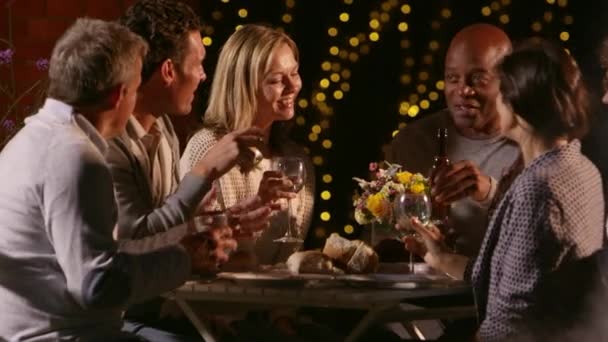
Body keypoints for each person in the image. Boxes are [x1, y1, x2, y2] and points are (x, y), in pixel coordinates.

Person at [0, 18, 235, 341]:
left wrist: (181, 245)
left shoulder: (27, 142)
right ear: (118, 97)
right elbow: (96, 285)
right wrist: (184, 260)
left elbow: (93, 256)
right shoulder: (76, 157)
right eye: (137, 90)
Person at [109, 1, 293, 339]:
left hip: (156, 306)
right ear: (168, 71)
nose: (204, 76)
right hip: (114, 318)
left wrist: (229, 221)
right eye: (199, 65)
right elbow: (136, 239)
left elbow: (171, 228)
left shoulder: (163, 132)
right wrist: (205, 171)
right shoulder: (110, 143)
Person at [407, 38, 605, 341]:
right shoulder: (583, 169)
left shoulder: (538, 189)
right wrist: (441, 258)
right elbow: (514, 278)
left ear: (518, 102)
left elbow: (510, 321)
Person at [180, 24, 315, 266]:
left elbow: (289, 261)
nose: (293, 86)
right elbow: (202, 255)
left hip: (275, 302)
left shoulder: (296, 159)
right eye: (276, 80)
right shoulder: (207, 148)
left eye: (294, 73)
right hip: (212, 301)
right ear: (243, 87)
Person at [389, 23, 520, 257]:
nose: (463, 90)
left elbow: (541, 236)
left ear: (508, 81)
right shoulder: (411, 142)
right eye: (452, 78)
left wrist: (490, 193)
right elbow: (379, 239)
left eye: (478, 79)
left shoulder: (529, 145)